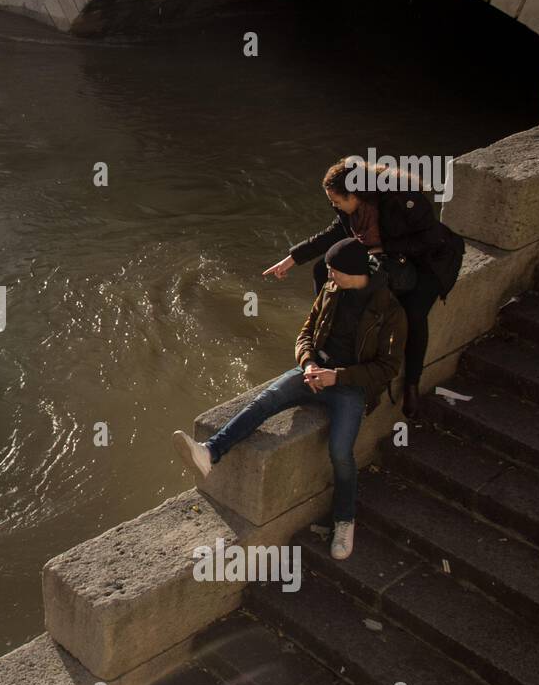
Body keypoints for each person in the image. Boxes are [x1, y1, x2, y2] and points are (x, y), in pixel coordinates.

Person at [173, 238, 406, 560]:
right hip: (314, 371)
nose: (329, 275)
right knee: (266, 399)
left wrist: (338, 377)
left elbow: (388, 367)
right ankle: (211, 452)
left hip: (351, 386)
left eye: (333, 270)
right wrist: (309, 362)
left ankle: (344, 521)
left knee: (340, 451)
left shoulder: (389, 310)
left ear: (352, 272)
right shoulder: (331, 289)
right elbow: (306, 332)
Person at [261, 157, 463, 418]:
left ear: (355, 194)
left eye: (336, 200)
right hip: (389, 257)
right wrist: (291, 260)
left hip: (429, 260)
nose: (333, 205)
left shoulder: (401, 199)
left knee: (413, 313)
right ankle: (332, 333)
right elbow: (334, 234)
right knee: (323, 268)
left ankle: (412, 382)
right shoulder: (352, 210)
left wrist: (384, 249)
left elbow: (430, 239)